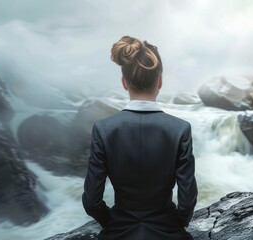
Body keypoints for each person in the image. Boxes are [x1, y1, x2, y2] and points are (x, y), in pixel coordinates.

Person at [82, 36, 198, 240]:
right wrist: (174, 224)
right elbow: (187, 201)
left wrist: (112, 222)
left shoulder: (103, 129)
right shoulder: (180, 129)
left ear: (124, 82)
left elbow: (92, 201)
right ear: (160, 81)